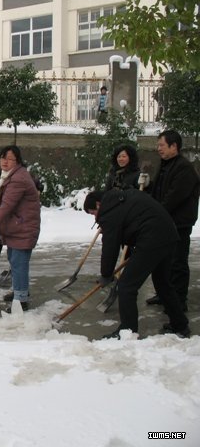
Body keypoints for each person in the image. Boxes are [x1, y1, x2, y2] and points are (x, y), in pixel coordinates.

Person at [83, 189, 190, 338]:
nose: (95, 217)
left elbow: (110, 247)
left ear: (98, 204)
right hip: (168, 235)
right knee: (163, 283)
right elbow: (134, 222)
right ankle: (180, 325)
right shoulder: (121, 199)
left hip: (152, 239)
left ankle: (127, 331)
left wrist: (106, 274)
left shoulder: (108, 212)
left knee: (126, 286)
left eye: (93, 212)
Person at [145, 130, 200, 311]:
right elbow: (160, 191)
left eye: (162, 145)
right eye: (158, 145)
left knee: (177, 262)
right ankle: (165, 295)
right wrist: (148, 186)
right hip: (165, 222)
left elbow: (174, 197)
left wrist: (156, 213)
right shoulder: (165, 165)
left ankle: (179, 301)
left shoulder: (184, 168)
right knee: (164, 261)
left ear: (174, 146)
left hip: (179, 223)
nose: (158, 148)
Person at [0, 146, 41, 312]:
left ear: (18, 161)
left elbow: (7, 205)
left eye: (9, 159)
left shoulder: (18, 179)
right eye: (2, 157)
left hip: (23, 227)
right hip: (17, 227)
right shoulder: (9, 176)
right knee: (15, 262)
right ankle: (19, 291)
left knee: (19, 263)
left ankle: (21, 300)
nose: (5, 161)